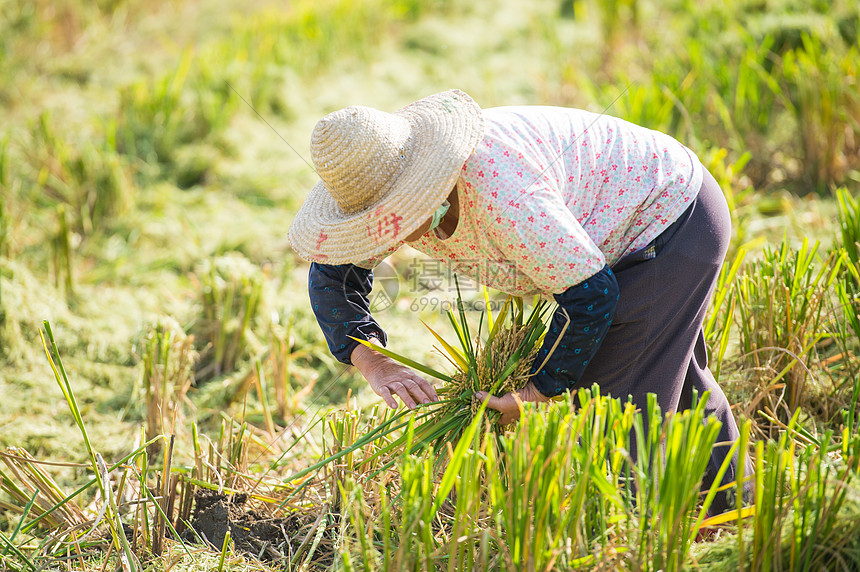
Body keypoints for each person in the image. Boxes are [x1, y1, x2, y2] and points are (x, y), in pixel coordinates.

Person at [288, 89, 751, 513]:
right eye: (368, 223)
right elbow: (333, 277)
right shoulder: (380, 186)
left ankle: (634, 538)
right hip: (613, 241)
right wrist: (374, 361)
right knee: (674, 376)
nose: (378, 235)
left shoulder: (503, 194)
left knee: (616, 402)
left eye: (387, 218)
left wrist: (539, 391)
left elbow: (590, 296)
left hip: (668, 219)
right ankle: (735, 508)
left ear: (422, 188)